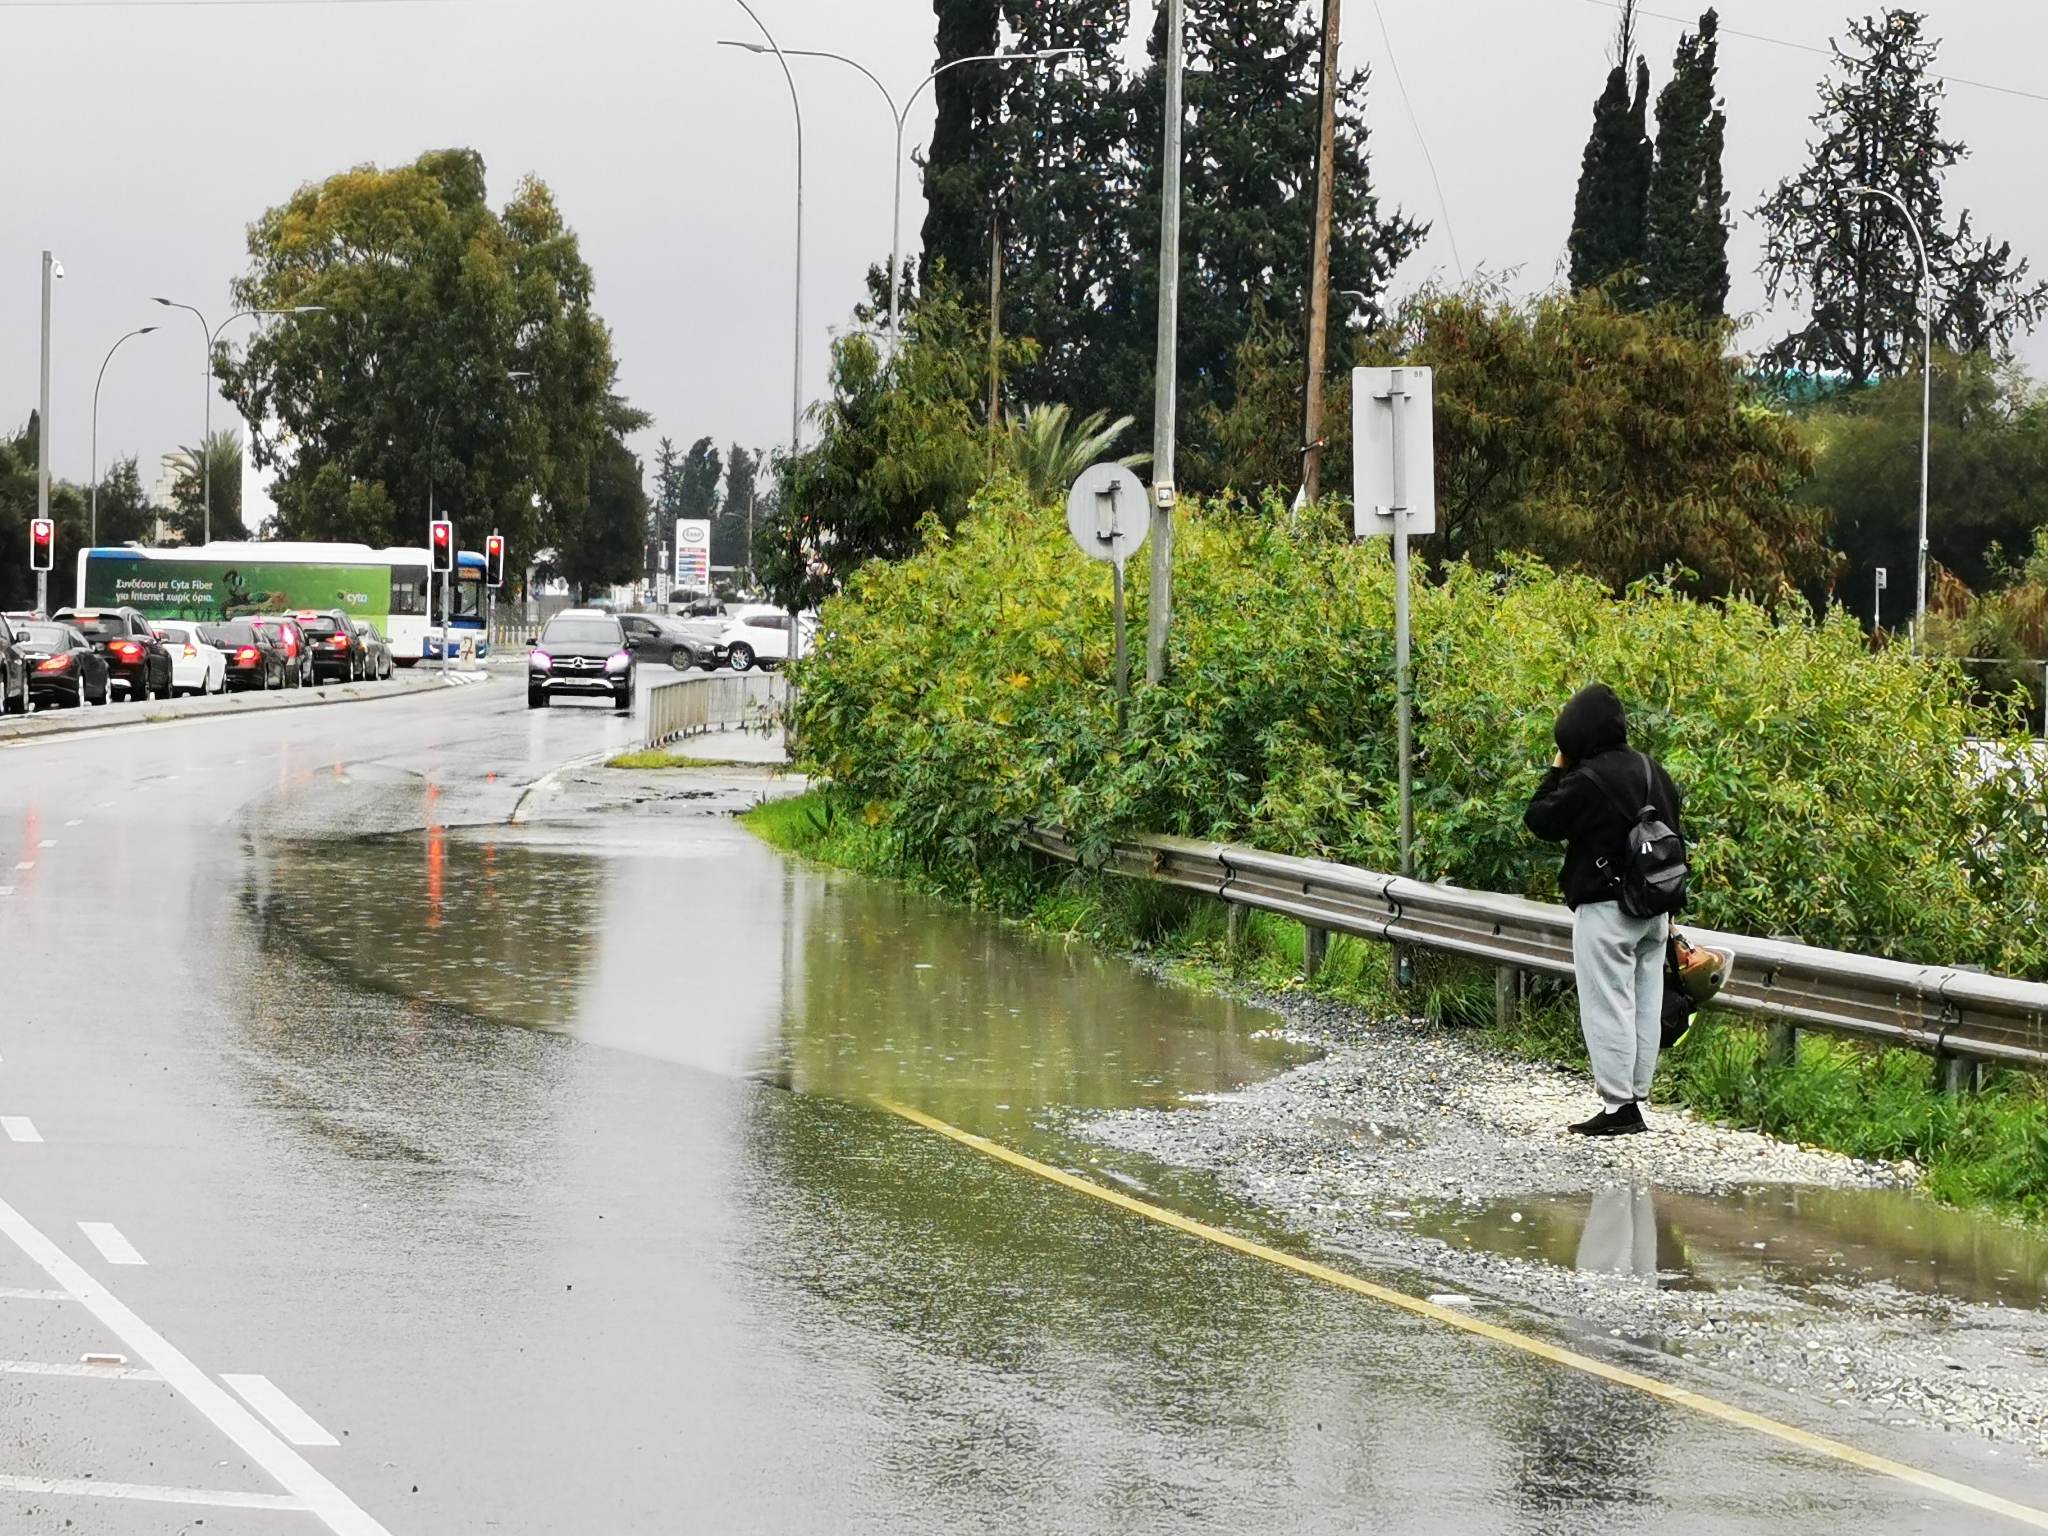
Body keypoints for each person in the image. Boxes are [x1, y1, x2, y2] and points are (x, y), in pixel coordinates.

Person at [1523, 682, 1684, 1136]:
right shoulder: (1655, 771)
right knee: (1644, 1003)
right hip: (1655, 908)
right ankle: (1636, 1093)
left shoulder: (1587, 779)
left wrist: (1557, 769)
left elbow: (1539, 820)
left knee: (1607, 1004)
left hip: (1606, 908)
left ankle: (1618, 1108)